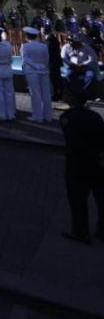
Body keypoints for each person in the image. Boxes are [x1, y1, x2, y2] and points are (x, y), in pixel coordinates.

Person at [58, 91, 104, 244]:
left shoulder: (66, 117)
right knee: (100, 197)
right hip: (97, 161)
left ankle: (80, 232)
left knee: (77, 199)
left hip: (77, 162)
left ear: (70, 99)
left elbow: (70, 140)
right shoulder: (95, 116)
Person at [21, 26, 53, 123]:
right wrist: (42, 67)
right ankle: (48, 116)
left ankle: (37, 116)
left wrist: (36, 67)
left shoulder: (25, 46)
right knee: (46, 94)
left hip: (32, 72)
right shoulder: (43, 46)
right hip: (44, 71)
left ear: (27, 36)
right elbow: (46, 59)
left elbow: (25, 59)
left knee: (35, 94)